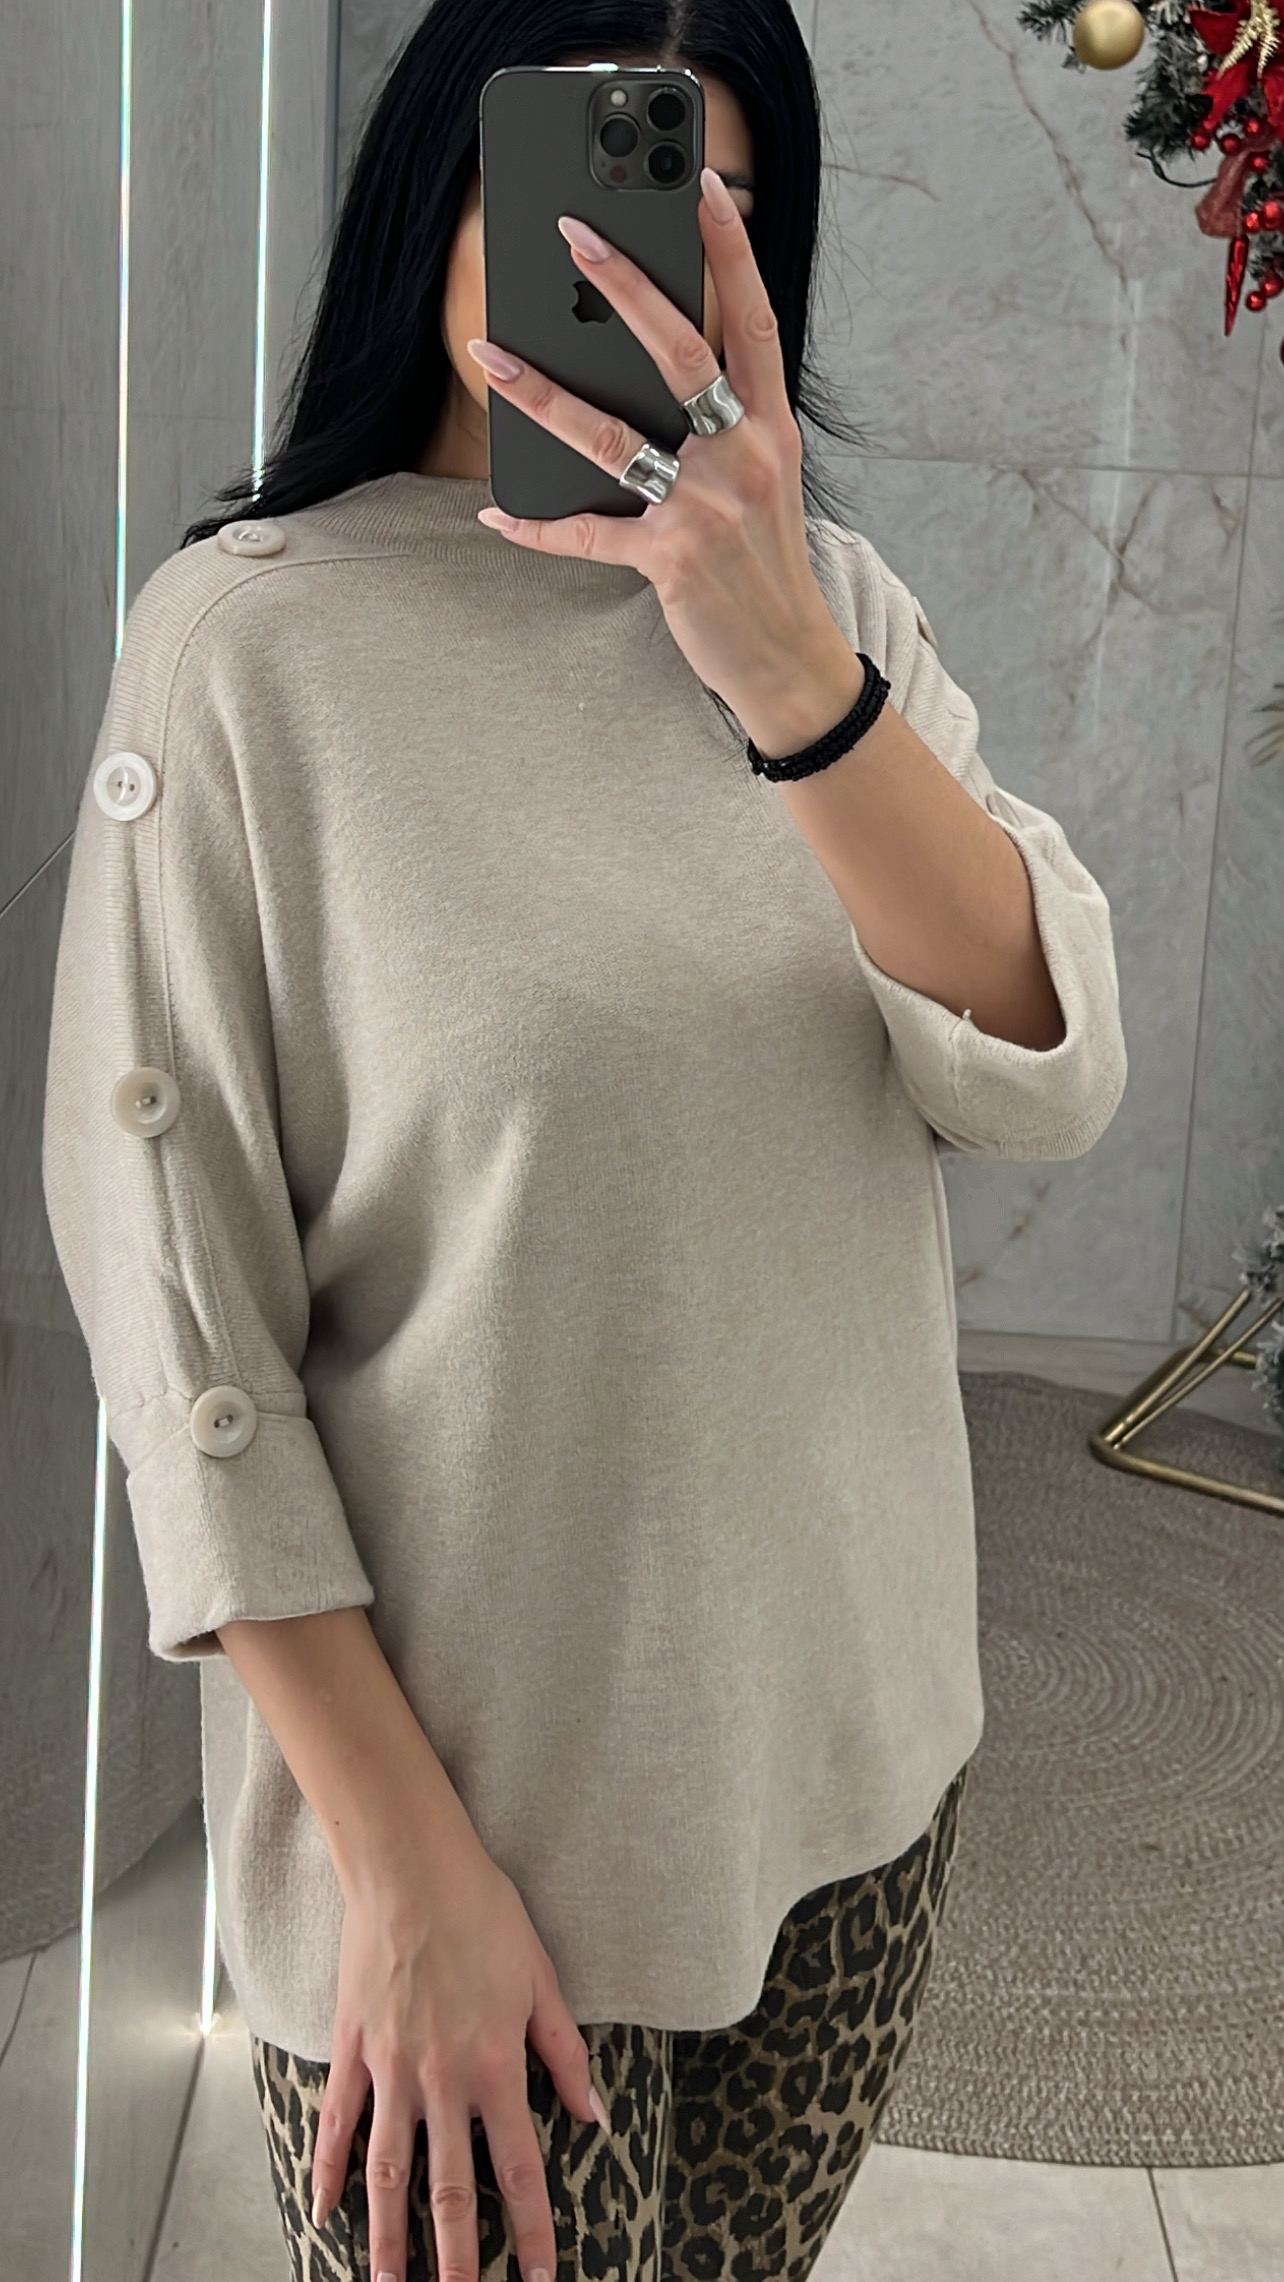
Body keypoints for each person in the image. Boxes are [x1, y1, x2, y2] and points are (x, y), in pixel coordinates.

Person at [40, 4, 1128, 2281]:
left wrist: (787, 670)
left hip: (842, 1774)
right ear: (436, 187)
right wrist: (401, 1868)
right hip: (460, 1840)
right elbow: (182, 1323)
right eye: (588, 177)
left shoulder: (833, 618)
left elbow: (1037, 1064)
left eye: (706, 199)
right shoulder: (249, 653)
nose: (635, 253)